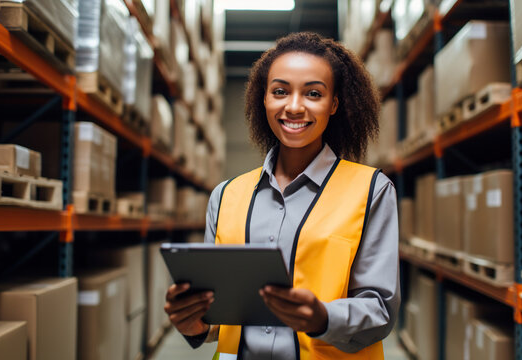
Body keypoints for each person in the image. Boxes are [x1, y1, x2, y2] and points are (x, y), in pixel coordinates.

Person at [164, 32, 400, 359]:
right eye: (280, 91)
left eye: (313, 93)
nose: (294, 107)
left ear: (334, 104)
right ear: (264, 98)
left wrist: (323, 318)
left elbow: (381, 310)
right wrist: (197, 323)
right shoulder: (226, 195)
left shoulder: (371, 191)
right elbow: (222, 314)